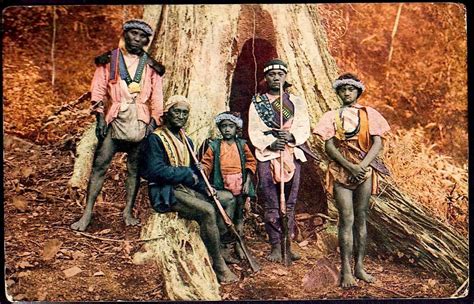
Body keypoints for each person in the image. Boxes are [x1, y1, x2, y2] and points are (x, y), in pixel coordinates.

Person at [71, 19, 165, 231]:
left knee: (134, 169)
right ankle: (87, 214)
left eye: (142, 37)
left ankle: (128, 213)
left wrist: (154, 120)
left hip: (140, 120)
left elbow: (157, 96)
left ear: (146, 41)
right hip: (115, 119)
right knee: (100, 165)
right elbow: (98, 89)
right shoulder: (111, 60)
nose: (138, 39)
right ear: (125, 35)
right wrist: (99, 117)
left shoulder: (151, 66)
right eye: (134, 34)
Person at [140, 95, 238, 283]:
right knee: (208, 210)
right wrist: (186, 174)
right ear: (167, 114)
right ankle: (218, 266)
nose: (181, 116)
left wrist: (205, 188)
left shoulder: (187, 140)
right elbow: (154, 171)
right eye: (177, 111)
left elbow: (195, 174)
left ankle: (218, 246)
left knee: (227, 199)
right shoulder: (155, 138)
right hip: (166, 191)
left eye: (185, 113)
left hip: (187, 189)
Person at [313, 73, 390, 288]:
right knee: (346, 217)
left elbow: (377, 144)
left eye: (351, 89)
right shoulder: (331, 116)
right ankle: (346, 269)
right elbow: (328, 146)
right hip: (341, 169)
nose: (347, 93)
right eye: (343, 89)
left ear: (358, 91)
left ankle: (359, 267)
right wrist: (350, 167)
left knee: (361, 217)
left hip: (364, 170)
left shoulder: (369, 114)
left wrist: (362, 166)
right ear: (338, 92)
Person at [248, 59, 310, 262]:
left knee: (290, 202)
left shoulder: (296, 102)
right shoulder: (258, 102)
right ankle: (275, 244)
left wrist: (291, 137)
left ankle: (287, 244)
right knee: (272, 202)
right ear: (266, 78)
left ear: (285, 77)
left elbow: (303, 126)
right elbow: (254, 130)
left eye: (280, 74)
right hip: (268, 154)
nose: (276, 78)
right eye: (271, 74)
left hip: (291, 153)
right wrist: (271, 142)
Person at [200, 111, 257, 262]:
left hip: (240, 185)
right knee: (225, 215)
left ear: (236, 128)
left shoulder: (242, 145)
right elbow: (207, 164)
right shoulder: (215, 146)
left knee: (239, 217)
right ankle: (223, 246)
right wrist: (202, 169)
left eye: (230, 126)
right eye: (224, 126)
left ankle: (239, 244)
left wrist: (247, 182)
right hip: (223, 186)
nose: (227, 129)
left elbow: (251, 163)